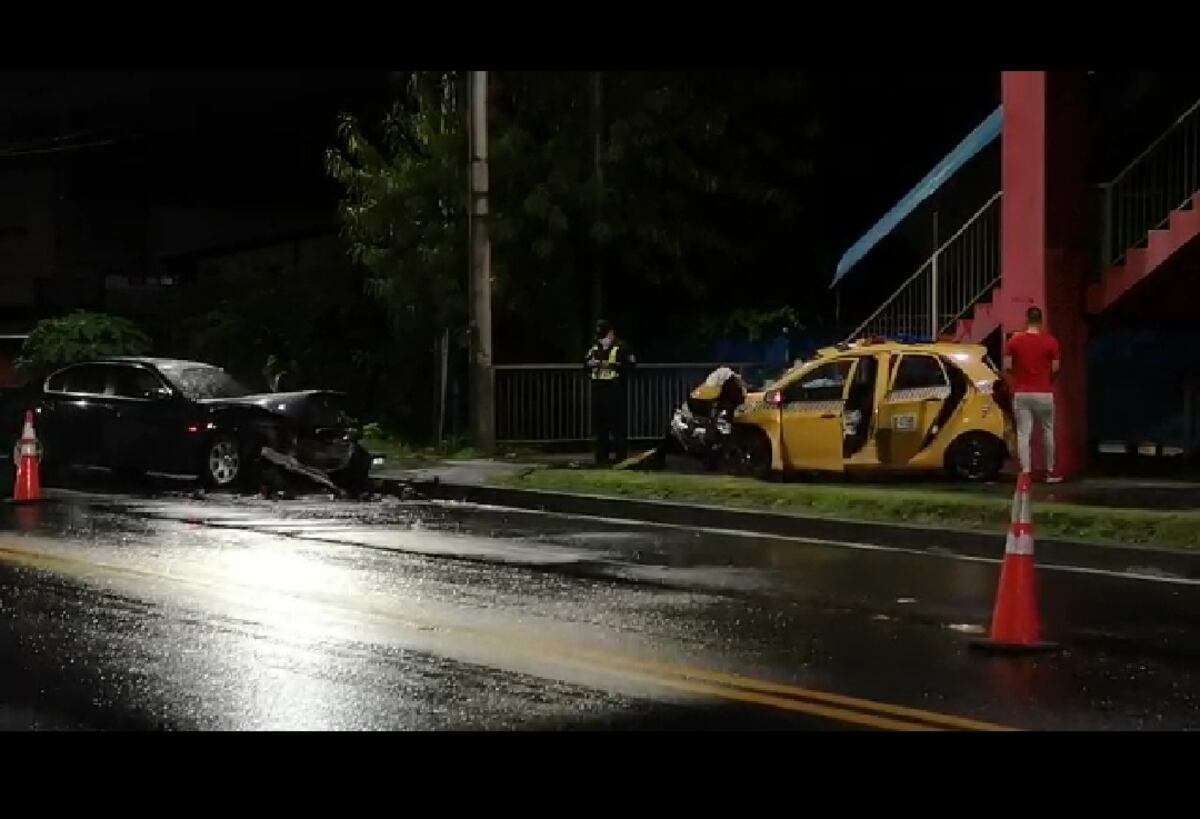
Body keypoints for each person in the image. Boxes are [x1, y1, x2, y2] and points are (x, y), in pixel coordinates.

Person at [1004, 306, 1062, 483]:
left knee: (1024, 433)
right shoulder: (1051, 342)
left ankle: (1026, 472)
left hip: (1022, 393)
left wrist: (1020, 376)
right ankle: (1050, 471)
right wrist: (1047, 380)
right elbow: (1056, 368)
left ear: (1027, 319)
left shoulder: (1014, 341)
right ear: (1041, 321)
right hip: (1044, 392)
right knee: (1048, 431)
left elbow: (1008, 366)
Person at [584, 319, 635, 466]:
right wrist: (589, 364)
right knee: (600, 426)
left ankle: (620, 457)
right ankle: (601, 458)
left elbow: (630, 365)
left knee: (617, 425)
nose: (601, 339)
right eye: (599, 336)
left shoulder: (622, 347)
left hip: (615, 390)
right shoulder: (595, 347)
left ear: (611, 333)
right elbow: (585, 362)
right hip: (598, 390)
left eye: (603, 335)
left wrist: (613, 365)